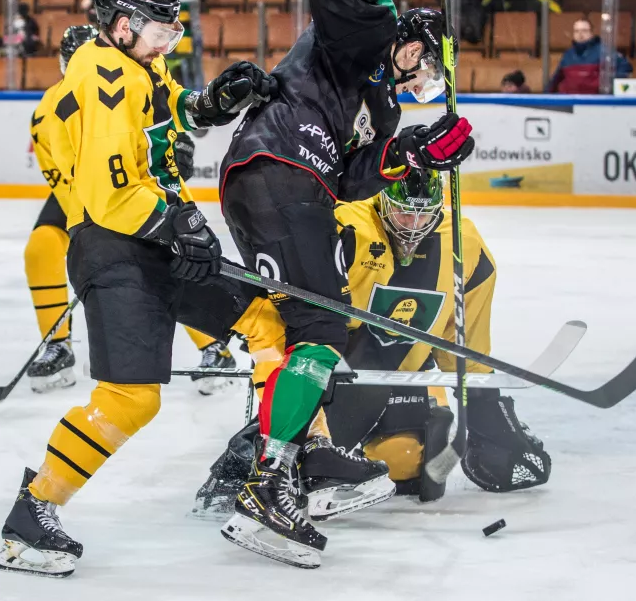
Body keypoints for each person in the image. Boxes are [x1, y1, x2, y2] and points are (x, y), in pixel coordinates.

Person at [0, 0, 276, 578]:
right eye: (160, 31)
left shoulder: (137, 64)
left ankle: (272, 468)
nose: (168, 42)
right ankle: (30, 516)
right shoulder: (103, 77)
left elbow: (168, 110)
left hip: (150, 236)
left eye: (174, 33)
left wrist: (210, 102)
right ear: (122, 26)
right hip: (115, 247)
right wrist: (178, 223)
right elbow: (107, 193)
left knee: (266, 319)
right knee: (131, 399)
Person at [216, 0, 473, 568]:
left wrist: (417, 151)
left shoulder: (384, 111)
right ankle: (268, 483)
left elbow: (353, 176)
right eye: (428, 68)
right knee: (324, 327)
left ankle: (296, 459)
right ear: (410, 45)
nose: (425, 83)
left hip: (289, 187)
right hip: (280, 170)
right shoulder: (367, 29)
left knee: (316, 327)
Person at [193, 170, 550, 519]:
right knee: (307, 464)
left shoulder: (464, 245)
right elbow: (296, 315)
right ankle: (253, 460)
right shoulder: (345, 225)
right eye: (404, 213)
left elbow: (462, 334)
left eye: (423, 214)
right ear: (383, 201)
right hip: (338, 371)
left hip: (405, 370)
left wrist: (485, 405)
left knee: (407, 465)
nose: (413, 225)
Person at [23, 24, 236, 394]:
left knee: (173, 255)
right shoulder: (46, 113)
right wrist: (95, 230)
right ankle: (57, 345)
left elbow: (160, 127)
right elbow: (66, 179)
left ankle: (213, 346)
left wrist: (176, 148)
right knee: (41, 248)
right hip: (85, 192)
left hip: (133, 183)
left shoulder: (131, 76)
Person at [547, 17, 633, 94]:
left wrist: (608, 88)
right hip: (571, 101)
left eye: (584, 31)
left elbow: (625, 68)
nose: (580, 34)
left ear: (591, 33)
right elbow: (555, 79)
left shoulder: (604, 51)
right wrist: (544, 99)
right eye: (577, 31)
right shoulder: (568, 55)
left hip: (595, 101)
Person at [168, 0, 204, 90]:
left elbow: (187, 0)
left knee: (196, 67)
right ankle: (188, 92)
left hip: (194, 35)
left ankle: (199, 92)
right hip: (180, 36)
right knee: (184, 67)